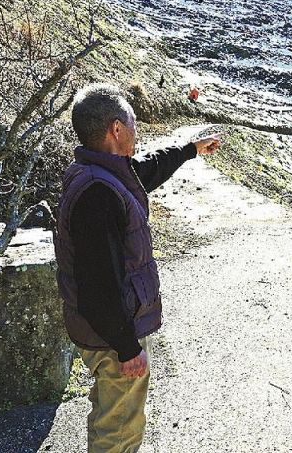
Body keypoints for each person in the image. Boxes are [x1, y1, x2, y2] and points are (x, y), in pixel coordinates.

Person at [54, 83, 220, 452]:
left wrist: (191, 150)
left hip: (105, 331)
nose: (137, 129)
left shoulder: (101, 173)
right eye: (132, 121)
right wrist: (127, 348)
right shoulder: (99, 193)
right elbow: (98, 283)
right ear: (116, 129)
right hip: (112, 336)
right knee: (120, 430)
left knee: (110, 415)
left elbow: (147, 169)